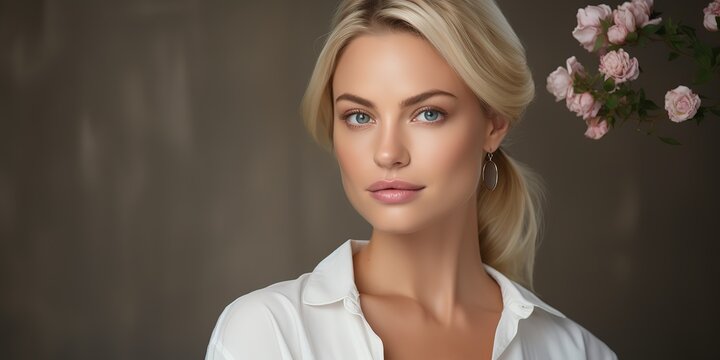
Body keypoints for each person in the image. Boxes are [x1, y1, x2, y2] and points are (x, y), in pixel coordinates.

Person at [205, 0, 618, 359]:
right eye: (360, 117)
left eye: (428, 113)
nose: (388, 153)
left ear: (493, 123)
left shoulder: (575, 352)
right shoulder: (267, 335)